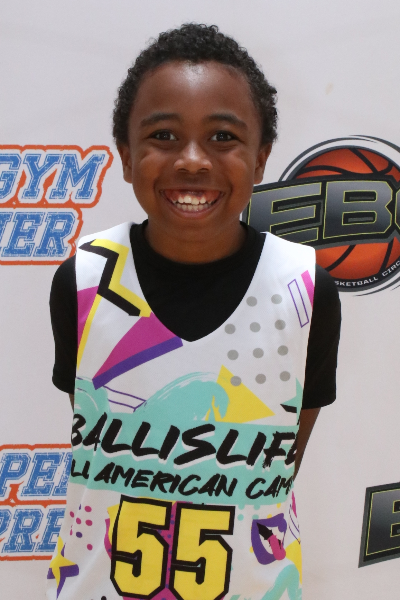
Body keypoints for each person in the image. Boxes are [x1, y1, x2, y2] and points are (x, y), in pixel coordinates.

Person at [48, 23, 340, 600]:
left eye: (223, 137)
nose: (192, 160)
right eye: (163, 135)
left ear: (260, 158)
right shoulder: (84, 279)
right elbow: (95, 446)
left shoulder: (305, 289)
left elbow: (279, 468)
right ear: (126, 156)